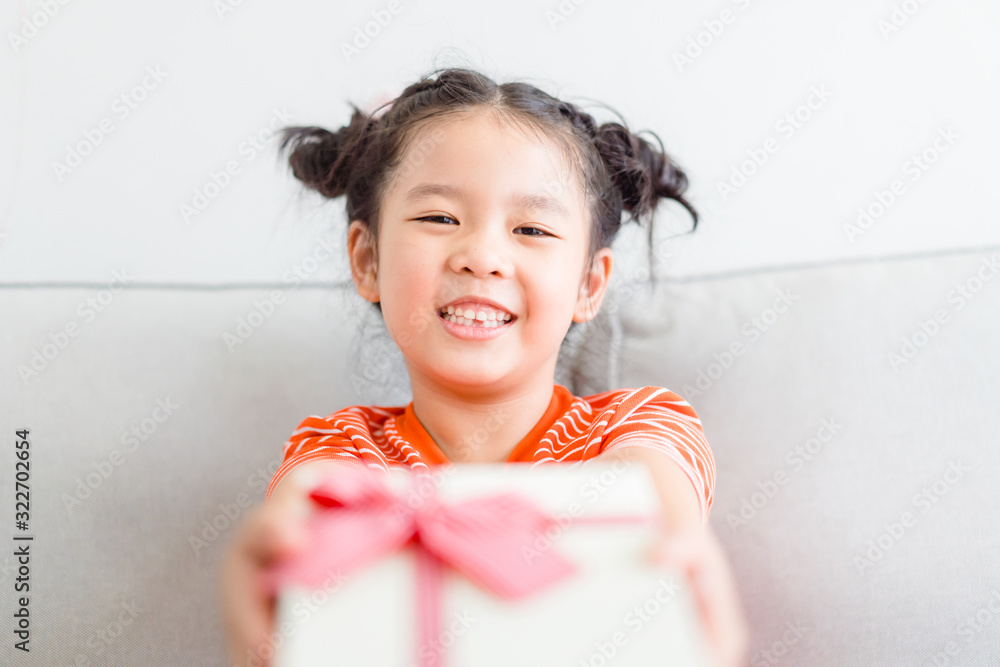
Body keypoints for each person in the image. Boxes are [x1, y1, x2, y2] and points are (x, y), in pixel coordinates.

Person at [220, 66, 748, 667]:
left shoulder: (636, 427)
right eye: (440, 218)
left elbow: (649, 517)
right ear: (367, 260)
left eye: (532, 228)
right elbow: (302, 566)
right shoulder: (340, 449)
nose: (483, 256)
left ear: (589, 283)